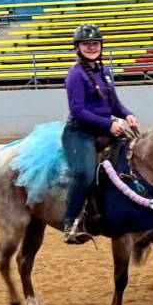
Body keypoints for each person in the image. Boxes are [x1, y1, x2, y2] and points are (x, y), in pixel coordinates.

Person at [62, 23, 140, 244]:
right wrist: (107, 125)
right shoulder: (75, 75)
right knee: (83, 174)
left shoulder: (104, 72)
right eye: (86, 44)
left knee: (138, 155)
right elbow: (78, 111)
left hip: (106, 128)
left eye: (95, 43)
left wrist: (128, 115)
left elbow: (114, 104)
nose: (91, 47)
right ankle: (71, 223)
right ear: (77, 48)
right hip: (81, 133)